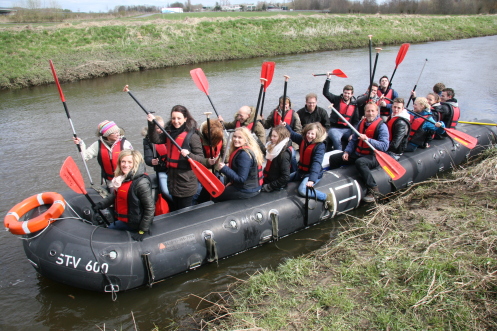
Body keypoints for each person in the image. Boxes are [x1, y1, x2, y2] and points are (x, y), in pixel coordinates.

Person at [328, 102, 389, 203]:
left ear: (377, 112)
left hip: (373, 156)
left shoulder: (382, 127)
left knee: (361, 162)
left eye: (372, 111)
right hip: (358, 153)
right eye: (368, 111)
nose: (370, 113)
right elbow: (354, 140)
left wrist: (369, 140)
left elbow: (384, 146)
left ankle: (374, 189)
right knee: (334, 158)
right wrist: (347, 151)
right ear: (364, 112)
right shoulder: (361, 123)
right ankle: (334, 181)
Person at [147, 105, 204, 211]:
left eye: (179, 118)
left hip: (186, 185)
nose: (176, 121)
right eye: (173, 118)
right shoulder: (169, 133)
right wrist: (151, 123)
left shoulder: (192, 136)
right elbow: (155, 139)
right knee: (175, 211)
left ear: (185, 118)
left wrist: (189, 154)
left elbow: (201, 160)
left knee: (184, 214)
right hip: (172, 183)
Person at [93, 150, 154, 241]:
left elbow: (150, 208)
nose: (125, 165)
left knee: (107, 233)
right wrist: (101, 204)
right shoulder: (123, 178)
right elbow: (116, 195)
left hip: (135, 223)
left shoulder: (141, 183)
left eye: (130, 162)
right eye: (123, 161)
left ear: (136, 163)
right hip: (125, 220)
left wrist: (142, 230)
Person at [285, 122, 332, 208]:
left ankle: (326, 197)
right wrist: (286, 126)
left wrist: (312, 179)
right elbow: (292, 134)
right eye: (308, 133)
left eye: (312, 134)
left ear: (317, 135)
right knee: (284, 179)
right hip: (301, 172)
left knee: (302, 190)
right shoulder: (303, 140)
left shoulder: (319, 146)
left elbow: (317, 163)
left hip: (311, 174)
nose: (309, 136)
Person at [73, 120, 133, 189]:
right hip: (110, 181)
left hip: (125, 178)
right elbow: (84, 158)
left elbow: (134, 161)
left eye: (118, 131)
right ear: (107, 135)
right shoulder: (97, 145)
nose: (118, 134)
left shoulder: (125, 144)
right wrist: (80, 144)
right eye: (114, 133)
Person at [215, 127, 263, 201]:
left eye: (240, 137)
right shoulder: (249, 150)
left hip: (248, 190)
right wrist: (231, 181)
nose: (236, 139)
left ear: (246, 140)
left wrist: (224, 168)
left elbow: (241, 179)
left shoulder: (244, 154)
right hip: (249, 187)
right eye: (234, 136)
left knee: (218, 195)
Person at [323, 74, 359, 151]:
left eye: (349, 93)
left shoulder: (354, 105)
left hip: (347, 129)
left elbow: (356, 122)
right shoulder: (336, 99)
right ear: (343, 92)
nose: (346, 95)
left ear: (352, 94)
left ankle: (349, 153)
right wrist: (328, 79)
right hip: (335, 128)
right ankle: (338, 155)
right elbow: (325, 93)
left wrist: (353, 134)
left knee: (355, 139)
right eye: (345, 93)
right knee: (336, 139)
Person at [142, 115, 171, 203]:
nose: (162, 130)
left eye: (163, 127)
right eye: (158, 128)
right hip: (161, 169)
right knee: (166, 191)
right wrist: (151, 161)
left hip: (173, 168)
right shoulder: (147, 141)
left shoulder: (169, 135)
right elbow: (147, 158)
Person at [261, 124, 292, 192]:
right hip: (268, 178)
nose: (271, 138)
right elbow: (265, 151)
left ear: (281, 137)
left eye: (275, 136)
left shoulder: (283, 155)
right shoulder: (273, 147)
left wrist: (269, 186)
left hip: (274, 184)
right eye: (272, 135)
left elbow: (285, 177)